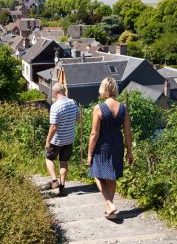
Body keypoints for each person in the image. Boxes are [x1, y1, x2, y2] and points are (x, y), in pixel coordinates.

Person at [87, 77, 133, 219]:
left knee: (96, 174)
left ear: (103, 89)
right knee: (111, 176)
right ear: (115, 89)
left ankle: (110, 204)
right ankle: (110, 210)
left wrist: (89, 154)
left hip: (103, 146)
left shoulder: (99, 108)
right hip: (117, 145)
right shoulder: (123, 108)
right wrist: (130, 152)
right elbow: (127, 132)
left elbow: (94, 133)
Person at [45, 82, 80, 196]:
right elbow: (79, 119)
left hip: (57, 140)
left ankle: (54, 181)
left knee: (49, 158)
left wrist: (48, 141)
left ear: (55, 92)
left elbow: (54, 126)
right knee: (63, 162)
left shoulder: (55, 106)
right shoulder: (74, 103)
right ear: (64, 91)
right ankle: (62, 186)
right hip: (69, 139)